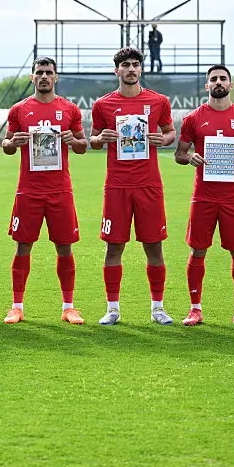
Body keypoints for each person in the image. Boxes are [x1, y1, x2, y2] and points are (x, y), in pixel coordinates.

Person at [89, 47, 177, 325]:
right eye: (125, 65)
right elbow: (92, 140)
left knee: (154, 246)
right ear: (117, 70)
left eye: (135, 65)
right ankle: (112, 309)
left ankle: (158, 308)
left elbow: (171, 132)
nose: (130, 69)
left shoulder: (159, 101)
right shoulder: (103, 104)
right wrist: (101, 136)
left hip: (149, 184)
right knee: (114, 247)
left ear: (141, 69)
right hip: (117, 186)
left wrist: (163, 140)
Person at [0, 57, 88, 324]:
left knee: (64, 247)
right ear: (32, 77)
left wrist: (74, 140)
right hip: (28, 190)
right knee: (23, 245)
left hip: (60, 189)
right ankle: (16, 306)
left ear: (56, 77)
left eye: (49, 72)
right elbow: (7, 145)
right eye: (39, 73)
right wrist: (11, 142)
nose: (44, 77)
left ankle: (69, 307)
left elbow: (83, 145)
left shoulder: (70, 109)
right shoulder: (19, 110)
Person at [174, 64, 234, 326]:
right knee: (198, 250)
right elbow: (179, 154)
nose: (218, 82)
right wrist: (190, 158)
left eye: (223, 78)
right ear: (207, 86)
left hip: (233, 197)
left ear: (231, 85)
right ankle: (195, 308)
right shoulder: (193, 118)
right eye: (213, 79)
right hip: (203, 196)